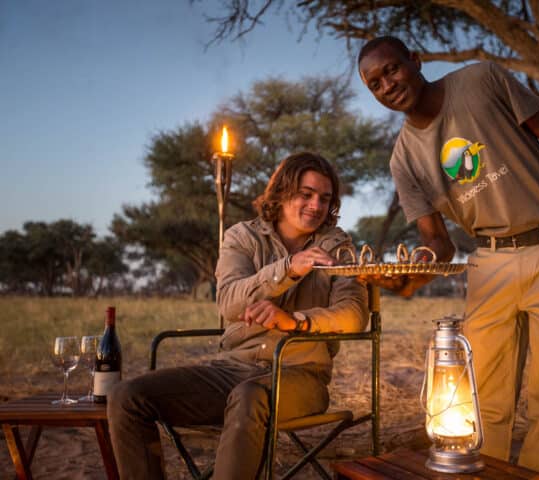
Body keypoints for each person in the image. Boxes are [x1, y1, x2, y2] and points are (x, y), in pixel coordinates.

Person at [358, 36, 539, 479]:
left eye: (392, 70)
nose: (387, 85)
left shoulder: (482, 80)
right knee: (479, 397)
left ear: (416, 60)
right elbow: (439, 242)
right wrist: (410, 274)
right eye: (375, 84)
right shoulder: (404, 158)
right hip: (488, 260)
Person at [107, 152, 368, 480]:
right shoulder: (242, 237)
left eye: (324, 198)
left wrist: (295, 321)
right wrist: (288, 269)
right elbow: (229, 303)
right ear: (282, 191)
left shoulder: (338, 246)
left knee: (249, 397)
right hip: (231, 370)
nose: (316, 205)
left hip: (301, 376)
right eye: (306, 194)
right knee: (127, 396)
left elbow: (354, 316)